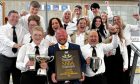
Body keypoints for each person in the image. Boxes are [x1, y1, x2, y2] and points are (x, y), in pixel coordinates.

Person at [0, 10, 26, 84]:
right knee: (3, 81)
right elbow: (4, 40)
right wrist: (15, 45)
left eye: (17, 17)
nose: (15, 19)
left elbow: (28, 36)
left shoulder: (22, 29)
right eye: (13, 16)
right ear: (8, 17)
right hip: (4, 59)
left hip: (17, 59)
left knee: (18, 81)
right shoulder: (2, 28)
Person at [113, 15, 140, 84]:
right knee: (117, 67)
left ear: (121, 20)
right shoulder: (113, 28)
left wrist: (138, 19)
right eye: (115, 20)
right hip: (116, 49)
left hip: (126, 48)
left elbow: (138, 27)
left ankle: (125, 81)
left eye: (118, 19)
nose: (116, 21)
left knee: (125, 66)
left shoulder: (127, 26)